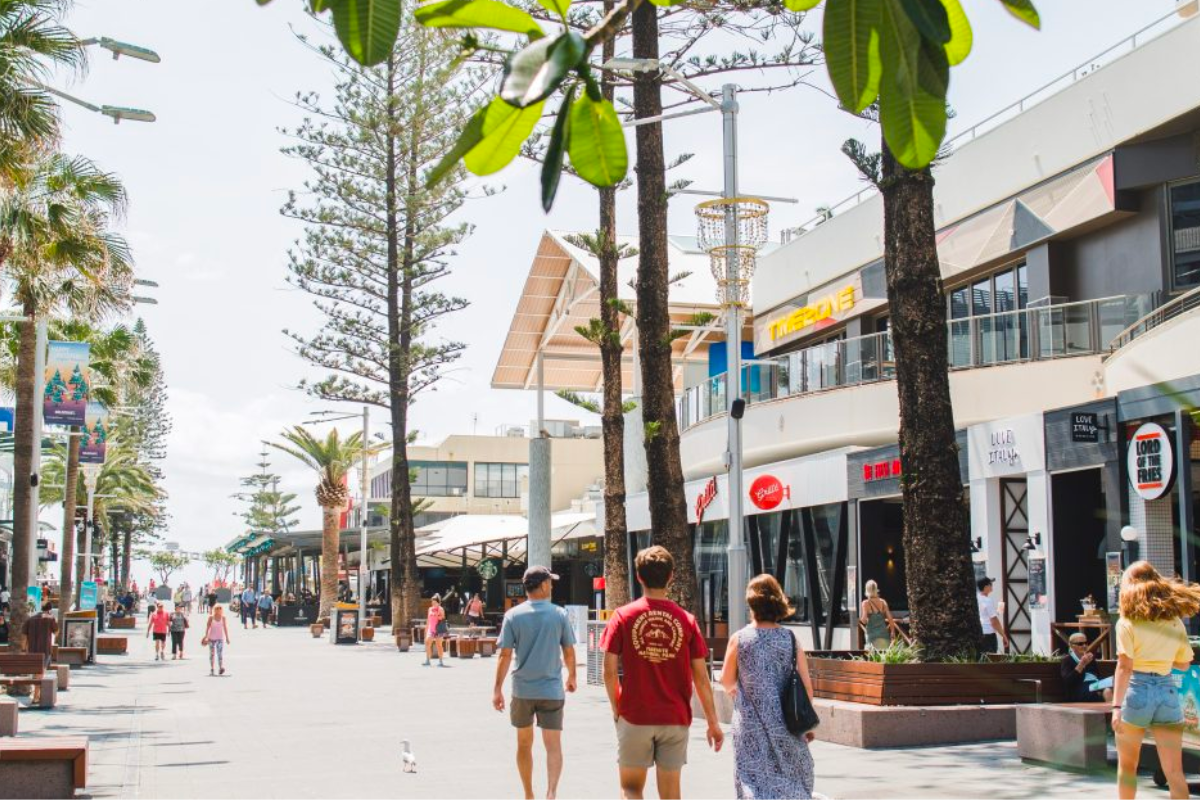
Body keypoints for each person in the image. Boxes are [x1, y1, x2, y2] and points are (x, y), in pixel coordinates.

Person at [602, 546, 723, 800]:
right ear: (671, 577)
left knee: (631, 788)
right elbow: (701, 677)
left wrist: (617, 706)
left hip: (635, 715)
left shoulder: (623, 617)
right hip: (674, 717)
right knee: (671, 795)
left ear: (639, 577)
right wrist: (713, 722)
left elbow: (609, 670)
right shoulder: (686, 620)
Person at [721, 575, 815, 800]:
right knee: (789, 777)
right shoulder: (791, 639)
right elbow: (806, 688)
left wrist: (737, 689)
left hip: (749, 726)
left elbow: (726, 679)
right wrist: (807, 724)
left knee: (752, 780)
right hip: (787, 725)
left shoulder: (740, 639)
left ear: (752, 605)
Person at [1112, 561, 1200, 799]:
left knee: (1128, 768)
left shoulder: (1127, 621)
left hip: (1136, 692)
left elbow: (1124, 666)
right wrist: (1160, 657)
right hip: (1167, 691)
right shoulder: (1174, 622)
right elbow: (1183, 664)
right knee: (1174, 771)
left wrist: (1116, 707)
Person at [493, 566, 577, 800]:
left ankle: (529, 794)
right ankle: (551, 792)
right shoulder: (559, 614)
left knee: (523, 744)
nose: (551, 586)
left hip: (523, 690)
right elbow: (568, 651)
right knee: (553, 745)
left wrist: (497, 689)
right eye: (550, 582)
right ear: (542, 585)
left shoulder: (513, 615)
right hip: (551, 690)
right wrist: (572, 676)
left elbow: (505, 655)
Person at [1060, 632, 1113, 703]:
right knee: (1105, 692)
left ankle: (1112, 713)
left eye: (1086, 643)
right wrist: (1082, 664)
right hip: (1079, 689)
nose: (1084, 646)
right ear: (1072, 646)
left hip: (1095, 685)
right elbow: (1069, 682)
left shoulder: (1090, 658)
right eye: (1080, 644)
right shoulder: (1067, 660)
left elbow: (1097, 675)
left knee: (1109, 690)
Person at [977, 577, 1009, 653]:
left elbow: (986, 615)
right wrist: (1003, 635)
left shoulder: (977, 598)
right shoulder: (988, 601)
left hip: (980, 633)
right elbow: (994, 621)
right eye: (990, 584)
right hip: (989, 635)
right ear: (985, 587)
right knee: (990, 660)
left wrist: (999, 609)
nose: (992, 586)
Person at [859, 580, 894, 650]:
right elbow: (890, 617)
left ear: (867, 590)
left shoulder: (865, 603)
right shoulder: (883, 602)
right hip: (883, 634)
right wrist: (892, 631)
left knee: (872, 657)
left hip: (872, 635)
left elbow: (864, 620)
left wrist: (859, 619)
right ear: (876, 589)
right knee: (884, 655)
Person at [203, 604, 231, 676]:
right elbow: (208, 627)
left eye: (220, 609)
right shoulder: (211, 617)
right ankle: (212, 669)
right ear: (214, 610)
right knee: (212, 654)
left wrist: (227, 638)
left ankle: (220, 668)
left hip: (220, 638)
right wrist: (206, 637)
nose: (218, 610)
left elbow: (225, 628)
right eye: (217, 609)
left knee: (219, 653)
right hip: (211, 638)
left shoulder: (223, 618)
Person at [424, 594, 447, 667]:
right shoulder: (430, 609)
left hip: (438, 630)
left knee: (439, 645)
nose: (433, 604)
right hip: (431, 629)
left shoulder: (441, 609)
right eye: (432, 602)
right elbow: (428, 620)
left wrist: (437, 613)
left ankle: (440, 661)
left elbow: (442, 618)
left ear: (438, 602)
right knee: (427, 643)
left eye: (434, 602)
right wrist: (426, 629)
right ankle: (427, 660)